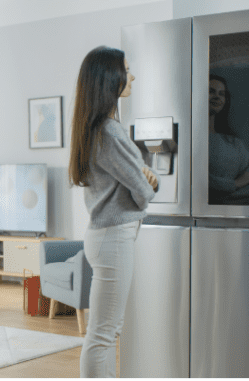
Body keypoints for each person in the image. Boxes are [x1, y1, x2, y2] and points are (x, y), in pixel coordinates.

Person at [68, 46, 159, 378]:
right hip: (114, 237)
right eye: (126, 70)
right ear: (111, 78)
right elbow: (144, 189)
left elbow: (139, 179)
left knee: (105, 331)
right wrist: (148, 180)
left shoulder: (98, 129)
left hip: (105, 236)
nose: (131, 76)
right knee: (104, 333)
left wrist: (144, 177)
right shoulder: (109, 130)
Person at [208, 74, 249, 205]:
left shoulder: (235, 143)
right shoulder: (191, 141)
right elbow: (197, 181)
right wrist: (236, 183)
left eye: (222, 93)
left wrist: (221, 192)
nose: (217, 97)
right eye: (211, 91)